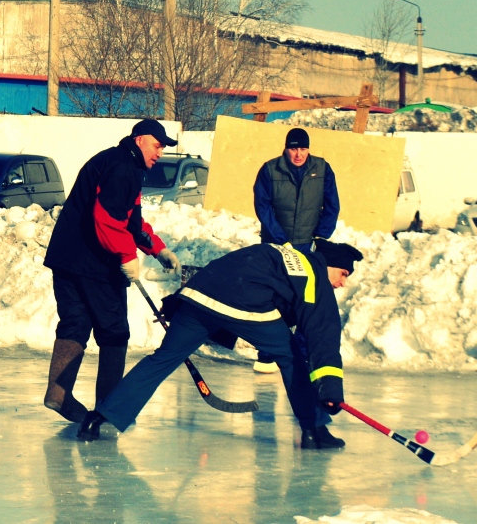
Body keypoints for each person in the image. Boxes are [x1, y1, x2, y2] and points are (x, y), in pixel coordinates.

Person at [77, 239, 364, 450]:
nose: (341, 283)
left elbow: (222, 270)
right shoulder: (313, 276)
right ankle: (314, 429)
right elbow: (322, 333)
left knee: (162, 359)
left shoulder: (282, 252)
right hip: (241, 305)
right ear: (329, 264)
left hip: (198, 297)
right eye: (343, 274)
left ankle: (99, 417)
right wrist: (329, 387)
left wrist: (180, 301)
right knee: (291, 357)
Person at [43, 119, 182, 424]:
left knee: (76, 322)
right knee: (114, 332)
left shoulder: (114, 160)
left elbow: (130, 221)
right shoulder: (123, 169)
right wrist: (126, 256)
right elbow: (107, 220)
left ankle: (58, 393)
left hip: (66, 259)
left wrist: (157, 249)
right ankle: (107, 409)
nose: (159, 153)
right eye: (157, 146)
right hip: (95, 264)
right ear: (140, 140)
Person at [252, 126, 340, 373]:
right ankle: (268, 352)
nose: (298, 154)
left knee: (306, 298)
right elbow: (263, 206)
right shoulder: (270, 169)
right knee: (275, 296)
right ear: (286, 148)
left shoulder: (322, 169)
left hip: (307, 244)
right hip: (275, 245)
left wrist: (321, 236)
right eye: (293, 148)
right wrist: (280, 239)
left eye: (302, 148)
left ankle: (301, 350)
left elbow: (332, 204)